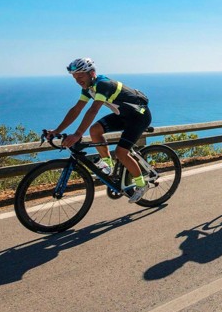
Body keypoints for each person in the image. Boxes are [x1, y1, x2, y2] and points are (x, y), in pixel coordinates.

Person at [47, 58, 152, 203]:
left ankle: (141, 184)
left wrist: (77, 134)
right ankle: (107, 163)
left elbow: (93, 110)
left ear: (92, 73)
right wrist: (56, 130)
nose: (78, 80)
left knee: (121, 153)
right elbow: (77, 109)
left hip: (139, 117)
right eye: (75, 77)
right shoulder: (88, 88)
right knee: (95, 130)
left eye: (80, 76)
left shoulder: (103, 84)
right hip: (122, 116)